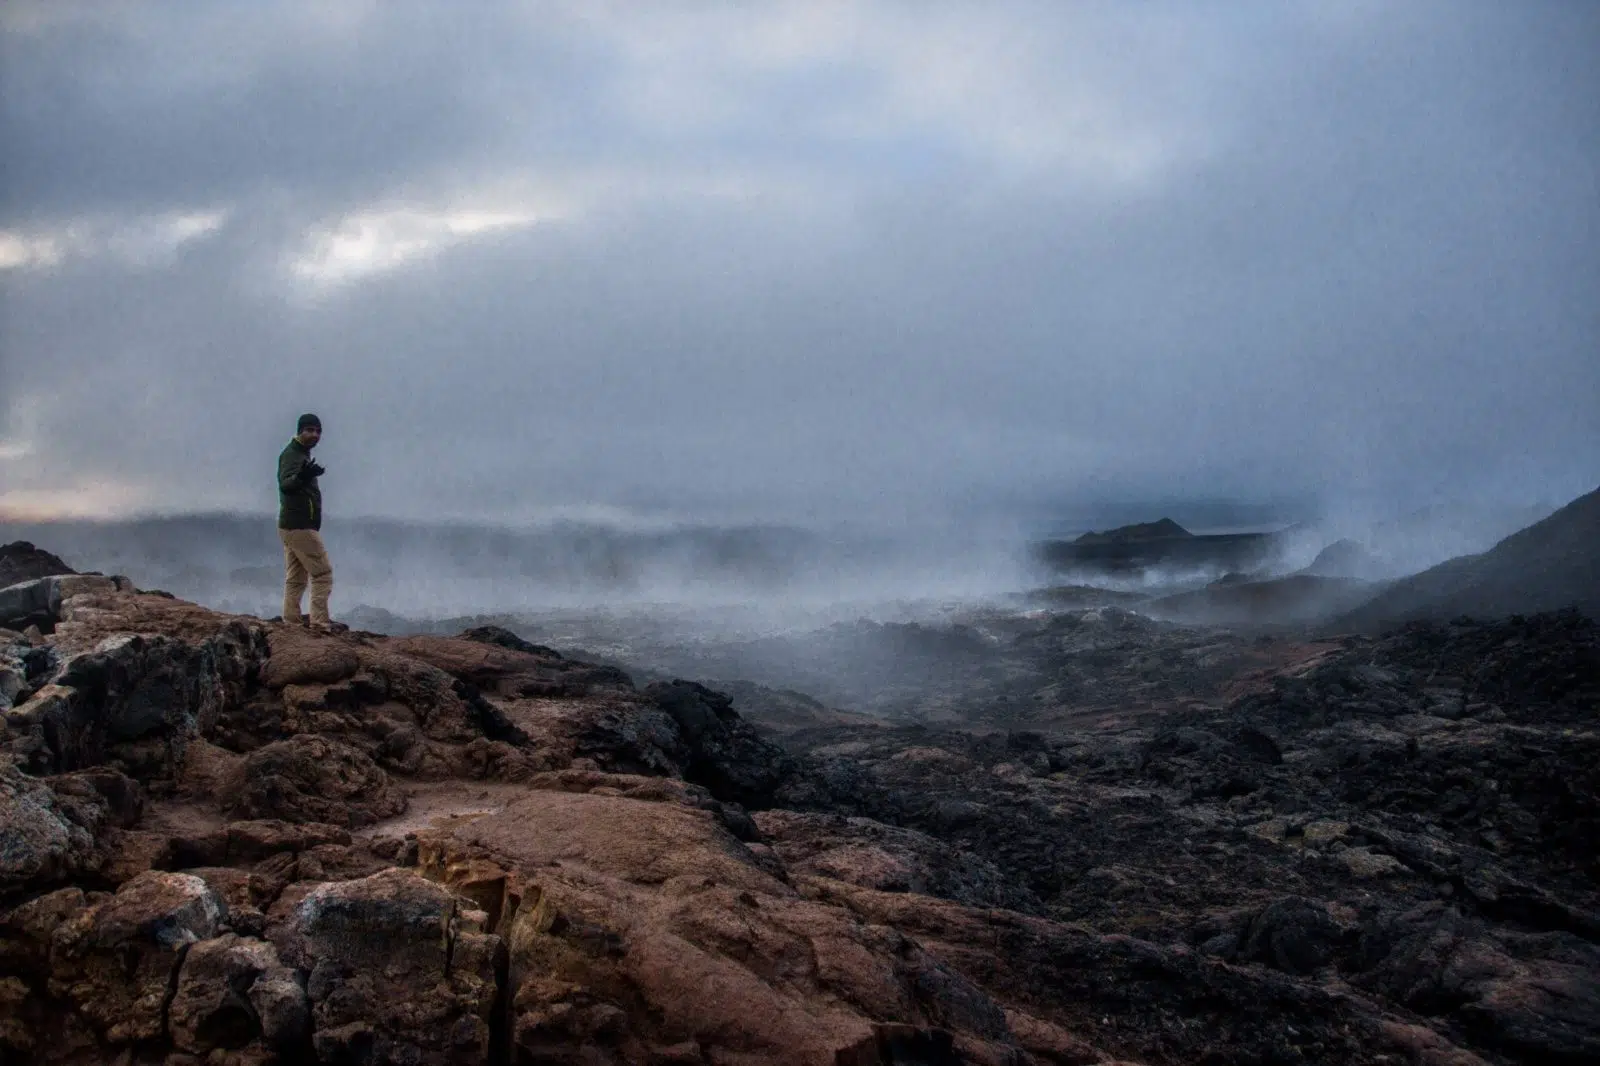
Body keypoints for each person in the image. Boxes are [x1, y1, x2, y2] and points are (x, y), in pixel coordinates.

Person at [277, 413, 334, 628]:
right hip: (299, 525)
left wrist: (306, 474)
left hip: (291, 525)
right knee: (322, 573)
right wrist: (303, 476)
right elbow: (286, 484)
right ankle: (319, 624)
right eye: (309, 430)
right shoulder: (293, 455)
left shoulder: (301, 454)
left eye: (318, 431)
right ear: (299, 431)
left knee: (297, 577)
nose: (315, 435)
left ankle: (290, 622)